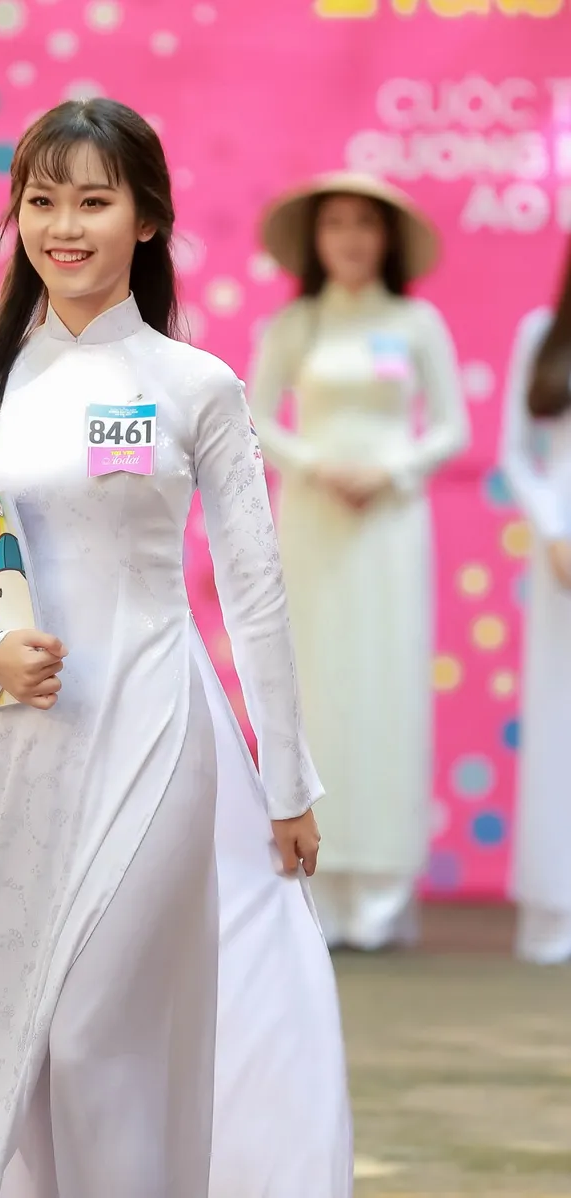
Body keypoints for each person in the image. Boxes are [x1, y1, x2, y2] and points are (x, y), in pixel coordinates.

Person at [0, 99, 352, 1198]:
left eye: (92, 201)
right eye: (42, 202)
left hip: (152, 731)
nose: (63, 227)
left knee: (93, 1039)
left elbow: (255, 591)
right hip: (6, 753)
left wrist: (286, 780)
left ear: (148, 218)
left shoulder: (195, 385)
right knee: (17, 1055)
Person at [247, 172, 469, 953]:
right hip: (312, 519)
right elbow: (252, 415)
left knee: (386, 685)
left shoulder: (415, 323)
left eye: (364, 224)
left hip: (389, 525)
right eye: (335, 223)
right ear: (315, 239)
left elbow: (453, 427)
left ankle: (382, 891)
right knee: (314, 683)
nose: (349, 238)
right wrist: (315, 465)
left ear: (388, 239)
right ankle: (317, 881)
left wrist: (391, 470)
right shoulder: (296, 324)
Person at [499, 264, 571, 965]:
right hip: (563, 556)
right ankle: (555, 908)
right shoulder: (544, 334)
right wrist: (553, 532)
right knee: (558, 722)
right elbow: (516, 453)